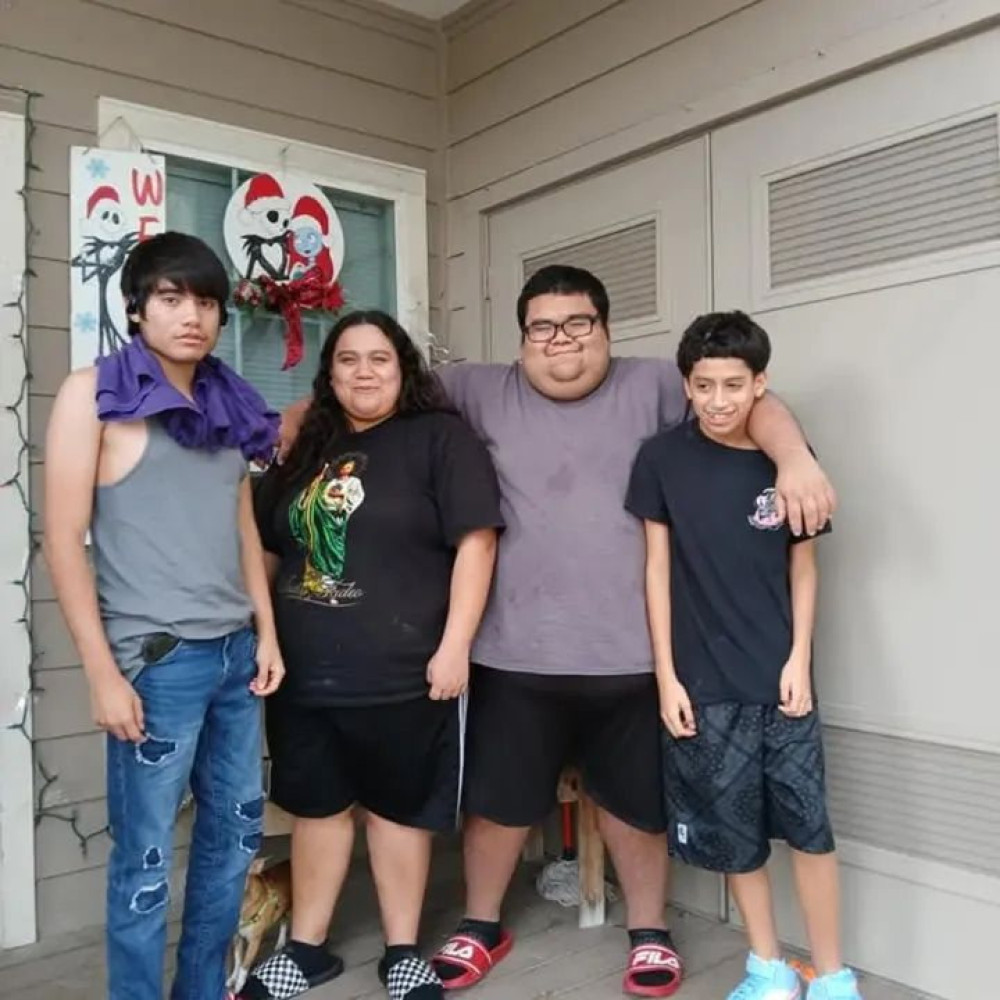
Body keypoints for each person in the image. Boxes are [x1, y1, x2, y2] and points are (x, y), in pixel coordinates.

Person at [278, 265, 836, 997]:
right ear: (522, 337)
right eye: (542, 326)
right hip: (512, 651)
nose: (560, 339)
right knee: (496, 805)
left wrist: (792, 457)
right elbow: (376, 383)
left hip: (632, 655)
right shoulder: (478, 388)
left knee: (636, 807)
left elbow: (749, 398)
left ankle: (649, 931)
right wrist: (300, 415)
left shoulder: (655, 384)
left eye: (578, 323)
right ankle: (481, 925)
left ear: (605, 329)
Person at [43, 232, 285, 1000]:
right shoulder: (94, 394)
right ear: (136, 309)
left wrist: (266, 632)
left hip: (235, 656)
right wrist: (101, 674)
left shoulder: (226, 400)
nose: (192, 316)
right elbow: (62, 539)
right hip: (157, 660)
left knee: (234, 839)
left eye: (206, 302)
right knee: (146, 861)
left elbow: (241, 526)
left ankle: (202, 990)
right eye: (172, 298)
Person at [241, 311, 503, 1000]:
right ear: (329, 375)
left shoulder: (439, 439)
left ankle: (402, 951)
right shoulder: (306, 446)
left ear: (403, 368)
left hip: (404, 670)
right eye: (348, 359)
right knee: (317, 808)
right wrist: (261, 633)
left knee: (397, 809)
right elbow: (267, 546)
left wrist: (455, 646)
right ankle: (306, 950)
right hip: (303, 674)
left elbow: (477, 543)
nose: (364, 372)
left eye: (379, 358)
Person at [625, 311, 860, 1000]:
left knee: (810, 831)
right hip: (702, 683)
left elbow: (804, 567)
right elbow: (656, 570)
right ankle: (768, 967)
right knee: (734, 835)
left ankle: (833, 976)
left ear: (761, 383)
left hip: (782, 682)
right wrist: (667, 677)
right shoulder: (660, 460)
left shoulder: (789, 460)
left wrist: (799, 659)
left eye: (734, 384)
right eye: (704, 385)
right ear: (686, 386)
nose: (718, 400)